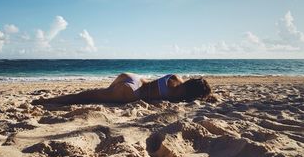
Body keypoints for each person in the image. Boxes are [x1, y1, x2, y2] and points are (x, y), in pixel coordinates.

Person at [31, 73, 212, 106]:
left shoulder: (176, 77)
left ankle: (46, 100)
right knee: (86, 98)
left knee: (87, 95)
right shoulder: (179, 97)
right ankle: (46, 101)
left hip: (133, 78)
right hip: (132, 93)